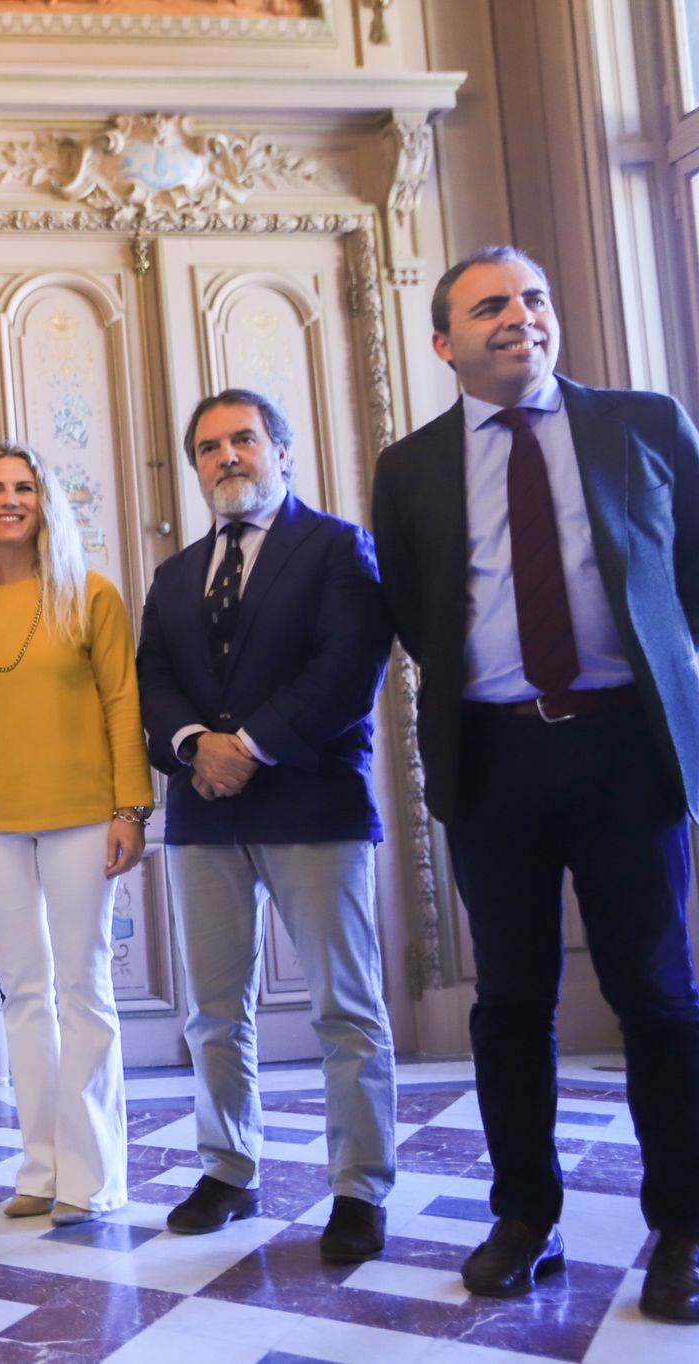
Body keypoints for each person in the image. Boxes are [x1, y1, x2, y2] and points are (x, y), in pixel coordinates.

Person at [372, 245, 699, 1321]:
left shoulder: (641, 423)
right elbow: (421, 617)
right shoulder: (410, 466)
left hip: (623, 750)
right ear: (442, 343)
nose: (518, 316)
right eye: (489, 306)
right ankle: (522, 1216)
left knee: (654, 993)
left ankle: (684, 1225)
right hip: (493, 756)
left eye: (531, 297)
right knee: (507, 1000)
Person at [136, 390, 397, 1262]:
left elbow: (346, 670)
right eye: (208, 447)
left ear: (281, 448)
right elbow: (155, 681)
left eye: (243, 440)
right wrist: (192, 746)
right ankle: (229, 1170)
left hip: (312, 804)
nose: (226, 458)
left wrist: (245, 745)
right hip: (204, 818)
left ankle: (359, 1190)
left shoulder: (335, 547)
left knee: (344, 1010)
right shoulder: (174, 576)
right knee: (216, 1012)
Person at [0, 442, 152, 1226]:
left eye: (24, 487)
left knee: (83, 989)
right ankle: (40, 1167)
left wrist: (132, 809)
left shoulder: (91, 595)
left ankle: (92, 1177)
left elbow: (125, 706)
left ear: (45, 501)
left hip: (85, 816)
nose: (9, 499)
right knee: (23, 993)